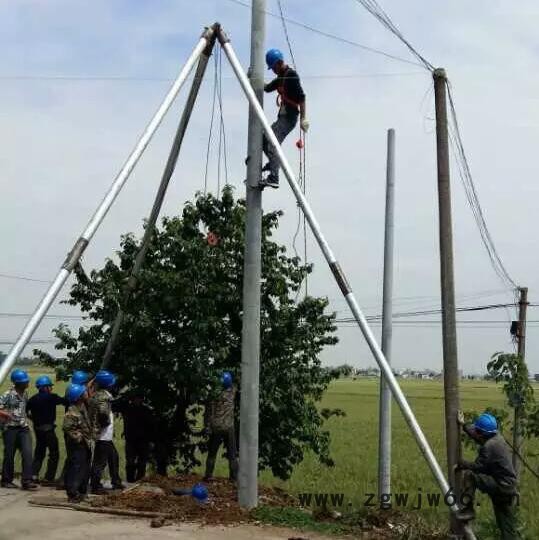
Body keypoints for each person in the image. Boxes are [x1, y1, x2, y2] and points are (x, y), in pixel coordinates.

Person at [457, 411, 521, 539]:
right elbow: (477, 435)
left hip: (501, 487)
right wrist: (464, 425)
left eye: (477, 430)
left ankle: (468, 509)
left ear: (482, 434)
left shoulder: (489, 447)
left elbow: (478, 467)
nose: (475, 432)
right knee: (506, 525)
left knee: (470, 475)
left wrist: (463, 464)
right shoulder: (497, 438)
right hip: (509, 488)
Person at [260, 48, 308, 189]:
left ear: (279, 62)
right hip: (283, 117)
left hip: (290, 117)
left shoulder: (291, 76)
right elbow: (268, 88)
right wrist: (253, 78)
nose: (273, 71)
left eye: (273, 67)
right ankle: (273, 162)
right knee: (263, 139)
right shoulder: (280, 78)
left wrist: (303, 119)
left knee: (272, 141)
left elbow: (302, 97)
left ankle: (274, 177)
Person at [26, 375, 68, 485]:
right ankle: (49, 478)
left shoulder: (32, 399)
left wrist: (34, 419)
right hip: (49, 430)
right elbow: (65, 401)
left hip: (38, 430)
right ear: (45, 387)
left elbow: (26, 412)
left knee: (39, 453)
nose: (51, 388)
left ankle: (33, 475)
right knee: (54, 454)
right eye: (50, 386)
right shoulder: (52, 397)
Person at [0, 369, 38, 490]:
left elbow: (24, 409)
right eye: (25, 381)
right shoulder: (8, 394)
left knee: (27, 453)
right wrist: (6, 415)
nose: (27, 383)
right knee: (9, 455)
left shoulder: (25, 393)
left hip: (23, 427)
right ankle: (6, 480)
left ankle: (27, 480)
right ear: (17, 383)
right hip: (10, 428)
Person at [89, 370, 124, 493]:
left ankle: (116, 481)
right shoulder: (104, 397)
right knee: (100, 462)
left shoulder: (97, 394)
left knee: (113, 457)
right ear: (109, 384)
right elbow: (103, 413)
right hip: (103, 435)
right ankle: (95, 486)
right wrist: (106, 424)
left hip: (105, 436)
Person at [203, 371, 238, 482]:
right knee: (232, 454)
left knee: (212, 453)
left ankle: (208, 475)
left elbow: (208, 412)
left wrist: (207, 426)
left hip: (216, 427)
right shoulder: (232, 392)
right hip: (229, 427)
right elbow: (237, 382)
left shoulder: (213, 394)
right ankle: (234, 478)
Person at [115, 391, 155, 483]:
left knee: (142, 463)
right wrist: (126, 397)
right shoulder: (128, 409)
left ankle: (139, 480)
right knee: (130, 462)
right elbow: (117, 405)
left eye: (139, 399)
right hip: (131, 439)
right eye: (135, 399)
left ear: (142, 400)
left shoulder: (146, 411)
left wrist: (151, 440)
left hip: (143, 440)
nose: (137, 401)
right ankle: (130, 480)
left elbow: (152, 427)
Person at [63, 383, 93, 503]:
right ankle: (72, 493)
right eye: (84, 392)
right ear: (79, 396)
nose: (86, 393)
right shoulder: (72, 412)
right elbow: (67, 428)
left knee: (84, 468)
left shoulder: (82, 408)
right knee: (76, 468)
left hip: (85, 443)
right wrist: (79, 438)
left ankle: (81, 491)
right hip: (77, 445)